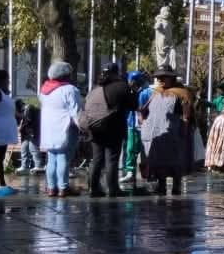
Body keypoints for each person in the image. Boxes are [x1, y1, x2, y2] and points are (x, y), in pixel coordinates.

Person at [79, 64, 134, 197]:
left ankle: (94, 188)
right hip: (114, 128)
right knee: (112, 159)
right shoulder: (122, 86)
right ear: (117, 73)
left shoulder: (96, 88)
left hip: (94, 127)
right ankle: (113, 189)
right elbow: (133, 105)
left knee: (97, 158)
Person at [140, 65, 194, 197]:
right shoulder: (155, 92)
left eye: (164, 77)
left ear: (172, 78)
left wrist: (184, 129)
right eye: (159, 77)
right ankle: (161, 185)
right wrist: (144, 121)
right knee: (158, 161)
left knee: (175, 160)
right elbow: (143, 110)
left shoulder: (182, 93)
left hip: (174, 133)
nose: (160, 79)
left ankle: (176, 186)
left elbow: (186, 114)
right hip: (156, 134)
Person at [39, 62, 82, 197]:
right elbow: (76, 111)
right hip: (65, 127)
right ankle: (63, 187)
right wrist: (83, 127)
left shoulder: (44, 90)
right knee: (63, 157)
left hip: (48, 129)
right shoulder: (70, 89)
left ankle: (52, 187)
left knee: (51, 158)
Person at [15, 99, 41, 175]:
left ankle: (38, 165)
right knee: (24, 148)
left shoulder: (29, 108)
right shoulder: (20, 112)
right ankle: (24, 166)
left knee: (33, 148)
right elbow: (19, 121)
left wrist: (20, 127)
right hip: (26, 133)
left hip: (33, 131)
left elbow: (28, 120)